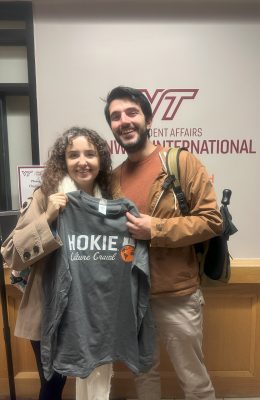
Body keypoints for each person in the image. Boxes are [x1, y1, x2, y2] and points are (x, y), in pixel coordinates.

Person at [104, 86, 223, 400]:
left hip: (177, 296)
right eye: (116, 116)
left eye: (131, 112)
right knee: (144, 377)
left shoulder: (180, 162)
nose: (124, 121)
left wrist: (154, 228)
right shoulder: (113, 179)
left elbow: (212, 220)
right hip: (132, 299)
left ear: (148, 119)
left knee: (194, 381)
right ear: (112, 128)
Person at [1, 126, 113, 400]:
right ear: (63, 161)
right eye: (73, 155)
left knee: (94, 376)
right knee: (52, 385)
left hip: (92, 311)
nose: (82, 161)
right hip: (48, 310)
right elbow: (12, 253)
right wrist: (48, 216)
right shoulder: (45, 196)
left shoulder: (110, 201)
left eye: (90, 153)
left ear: (101, 160)